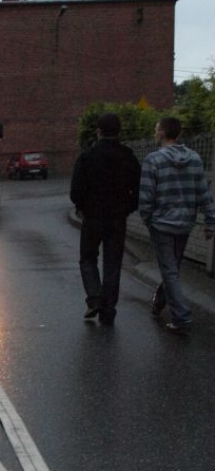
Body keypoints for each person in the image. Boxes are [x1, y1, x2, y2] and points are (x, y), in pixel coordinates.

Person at [139, 115, 215, 336]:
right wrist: (210, 221)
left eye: (156, 129)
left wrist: (148, 219)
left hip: (161, 224)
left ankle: (182, 317)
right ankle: (159, 302)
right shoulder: (195, 159)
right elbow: (203, 194)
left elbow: (146, 197)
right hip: (185, 223)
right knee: (172, 268)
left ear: (162, 132)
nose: (155, 132)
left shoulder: (153, 160)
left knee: (169, 270)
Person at [70, 112, 141, 326]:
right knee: (113, 263)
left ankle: (94, 298)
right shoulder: (128, 156)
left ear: (98, 131)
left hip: (92, 217)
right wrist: (128, 208)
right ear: (119, 132)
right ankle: (108, 309)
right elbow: (138, 189)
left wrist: (82, 208)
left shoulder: (87, 156)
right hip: (117, 218)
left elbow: (76, 190)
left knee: (88, 259)